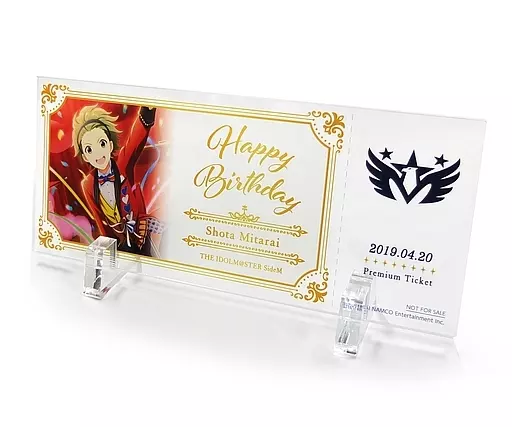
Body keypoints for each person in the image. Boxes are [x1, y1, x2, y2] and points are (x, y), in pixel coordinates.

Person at [72, 104, 162, 255]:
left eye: (101, 144)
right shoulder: (87, 184)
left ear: (110, 145)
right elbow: (100, 220)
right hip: (119, 243)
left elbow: (135, 141)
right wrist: (109, 249)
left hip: (139, 234)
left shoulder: (122, 165)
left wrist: (147, 111)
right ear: (85, 156)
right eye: (89, 149)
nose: (97, 154)